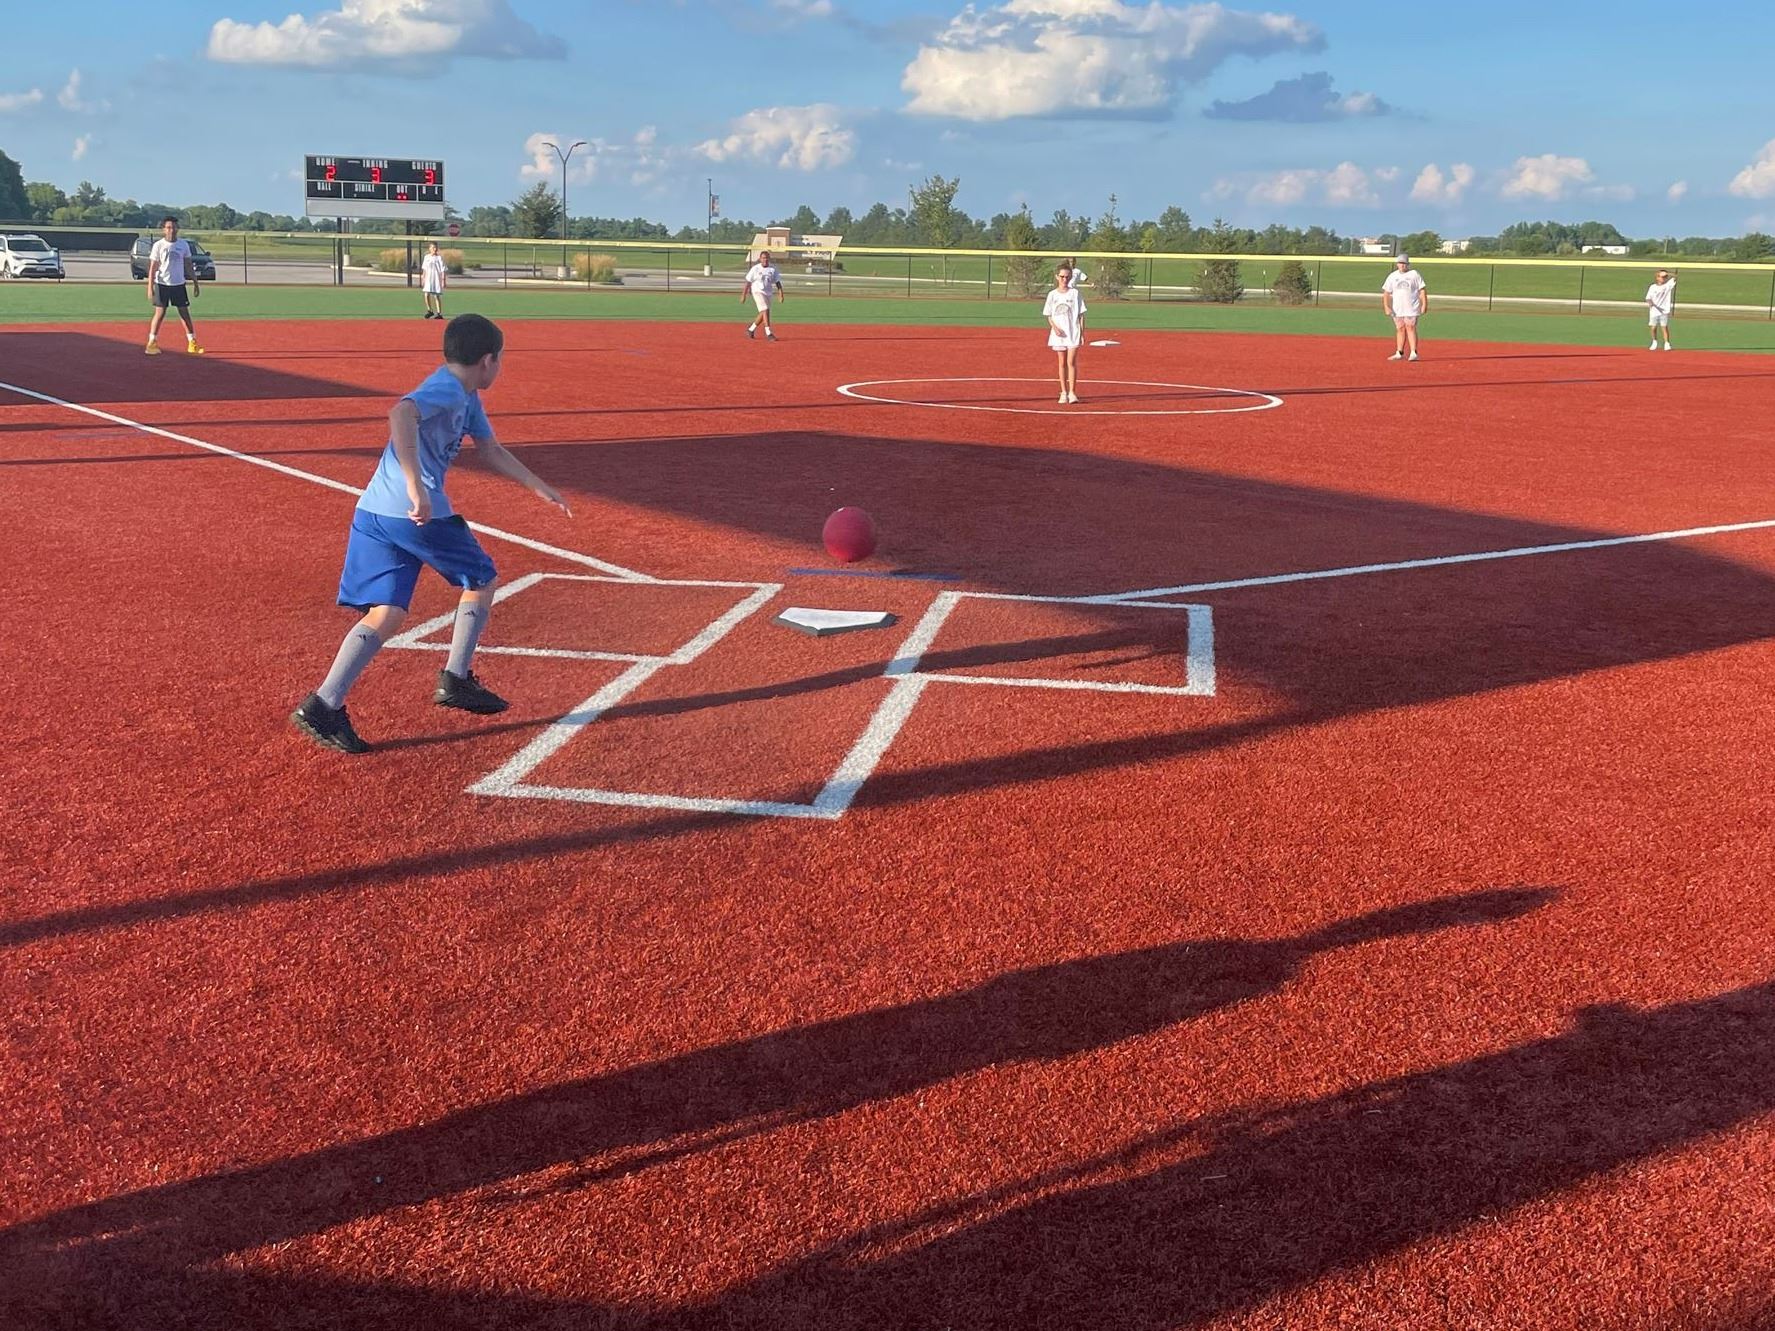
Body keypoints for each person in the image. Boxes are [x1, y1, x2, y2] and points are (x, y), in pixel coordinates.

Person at [291, 313, 572, 754]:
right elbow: (401, 412)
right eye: (500, 360)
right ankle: (456, 678)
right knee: (481, 579)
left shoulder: (467, 397)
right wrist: (416, 486)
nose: (499, 368)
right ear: (487, 360)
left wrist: (538, 486)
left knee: (386, 612)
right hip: (413, 514)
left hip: (375, 512)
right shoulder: (448, 387)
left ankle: (324, 704)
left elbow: (490, 449)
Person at [144, 216, 203, 356]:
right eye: (169, 227)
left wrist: (195, 282)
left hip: (178, 284)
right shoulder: (158, 245)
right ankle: (151, 342)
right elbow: (153, 267)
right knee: (160, 313)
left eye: (174, 227)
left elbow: (188, 264)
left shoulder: (184, 245)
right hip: (162, 284)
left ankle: (192, 342)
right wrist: (150, 287)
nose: (172, 230)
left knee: (184, 313)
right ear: (164, 229)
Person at [1043, 263, 1087, 404]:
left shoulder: (1075, 293)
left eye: (1067, 277)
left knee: (1071, 362)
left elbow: (1081, 315)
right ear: (1057, 277)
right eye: (1062, 276)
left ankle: (1072, 392)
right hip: (1058, 334)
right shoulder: (1052, 295)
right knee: (1062, 363)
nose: (1064, 279)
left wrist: (1082, 333)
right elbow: (1049, 315)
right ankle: (1063, 392)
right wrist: (1055, 328)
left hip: (1073, 332)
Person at [1381, 253, 1427, 361]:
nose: (1402, 265)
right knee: (1400, 328)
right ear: (1397, 264)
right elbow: (1386, 293)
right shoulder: (1392, 276)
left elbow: (1422, 290)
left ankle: (1413, 352)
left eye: (1404, 263)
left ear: (1408, 264)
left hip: (1411, 307)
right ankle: (1399, 352)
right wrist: (1386, 306)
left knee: (1410, 327)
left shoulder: (1414, 274)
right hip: (1398, 308)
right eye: (1400, 263)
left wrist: (1424, 304)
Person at [742, 249, 785, 340]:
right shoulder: (755, 269)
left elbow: (777, 282)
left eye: (766, 258)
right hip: (757, 291)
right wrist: (743, 295)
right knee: (765, 309)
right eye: (763, 258)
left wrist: (781, 294)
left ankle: (750, 330)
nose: (765, 260)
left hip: (768, 293)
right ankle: (768, 333)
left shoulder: (773, 269)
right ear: (760, 259)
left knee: (763, 313)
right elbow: (748, 282)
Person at [1645, 268, 1676, 350]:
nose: (1663, 278)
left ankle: (1667, 343)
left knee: (1664, 327)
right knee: (1653, 327)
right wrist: (1650, 303)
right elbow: (1648, 298)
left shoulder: (1667, 286)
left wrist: (1668, 274)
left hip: (1664, 310)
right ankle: (1654, 341)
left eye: (1665, 277)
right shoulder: (1653, 287)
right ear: (1657, 278)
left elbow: (1675, 277)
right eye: (1661, 277)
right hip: (1654, 310)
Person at [420, 241, 448, 320]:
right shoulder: (426, 257)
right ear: (430, 249)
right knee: (426, 294)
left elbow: (443, 270)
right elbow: (424, 269)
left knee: (436, 296)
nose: (435, 249)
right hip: (428, 279)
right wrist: (423, 278)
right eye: (433, 247)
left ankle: (439, 313)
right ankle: (430, 310)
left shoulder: (439, 258)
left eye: (436, 247)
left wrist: (443, 280)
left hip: (436, 279)